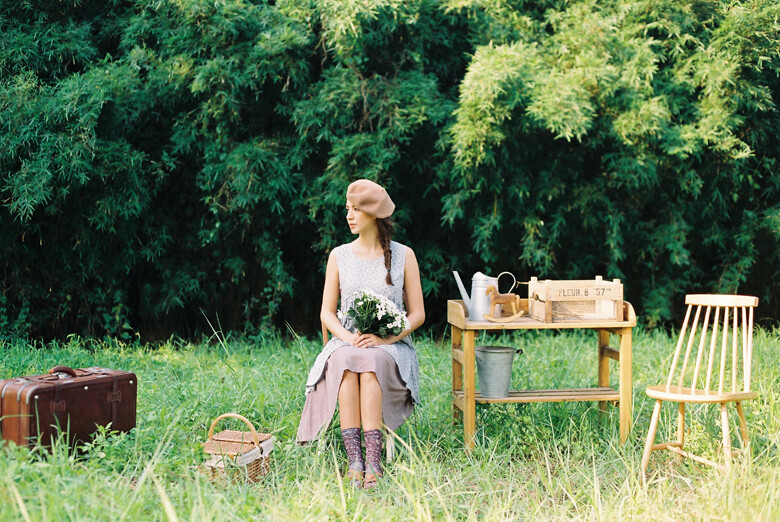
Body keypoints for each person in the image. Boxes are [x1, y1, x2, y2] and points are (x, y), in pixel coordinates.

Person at [297, 179, 425, 489]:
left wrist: (386, 338)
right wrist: (347, 336)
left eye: (356, 210)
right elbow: (327, 313)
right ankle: (354, 461)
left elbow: (418, 314)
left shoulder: (404, 255)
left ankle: (374, 462)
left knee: (368, 368)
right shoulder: (339, 256)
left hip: (391, 346)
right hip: (348, 340)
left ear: (374, 214)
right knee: (346, 364)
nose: (349, 216)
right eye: (348, 209)